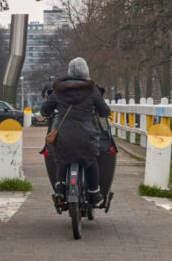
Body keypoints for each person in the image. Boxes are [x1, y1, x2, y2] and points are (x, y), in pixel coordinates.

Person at [40, 57, 115, 211]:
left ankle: (60, 190)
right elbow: (104, 111)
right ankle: (94, 194)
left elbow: (45, 109)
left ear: (69, 72)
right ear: (85, 72)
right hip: (86, 137)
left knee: (61, 159)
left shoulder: (58, 89)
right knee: (91, 161)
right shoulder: (92, 89)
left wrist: (48, 113)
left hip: (64, 135)